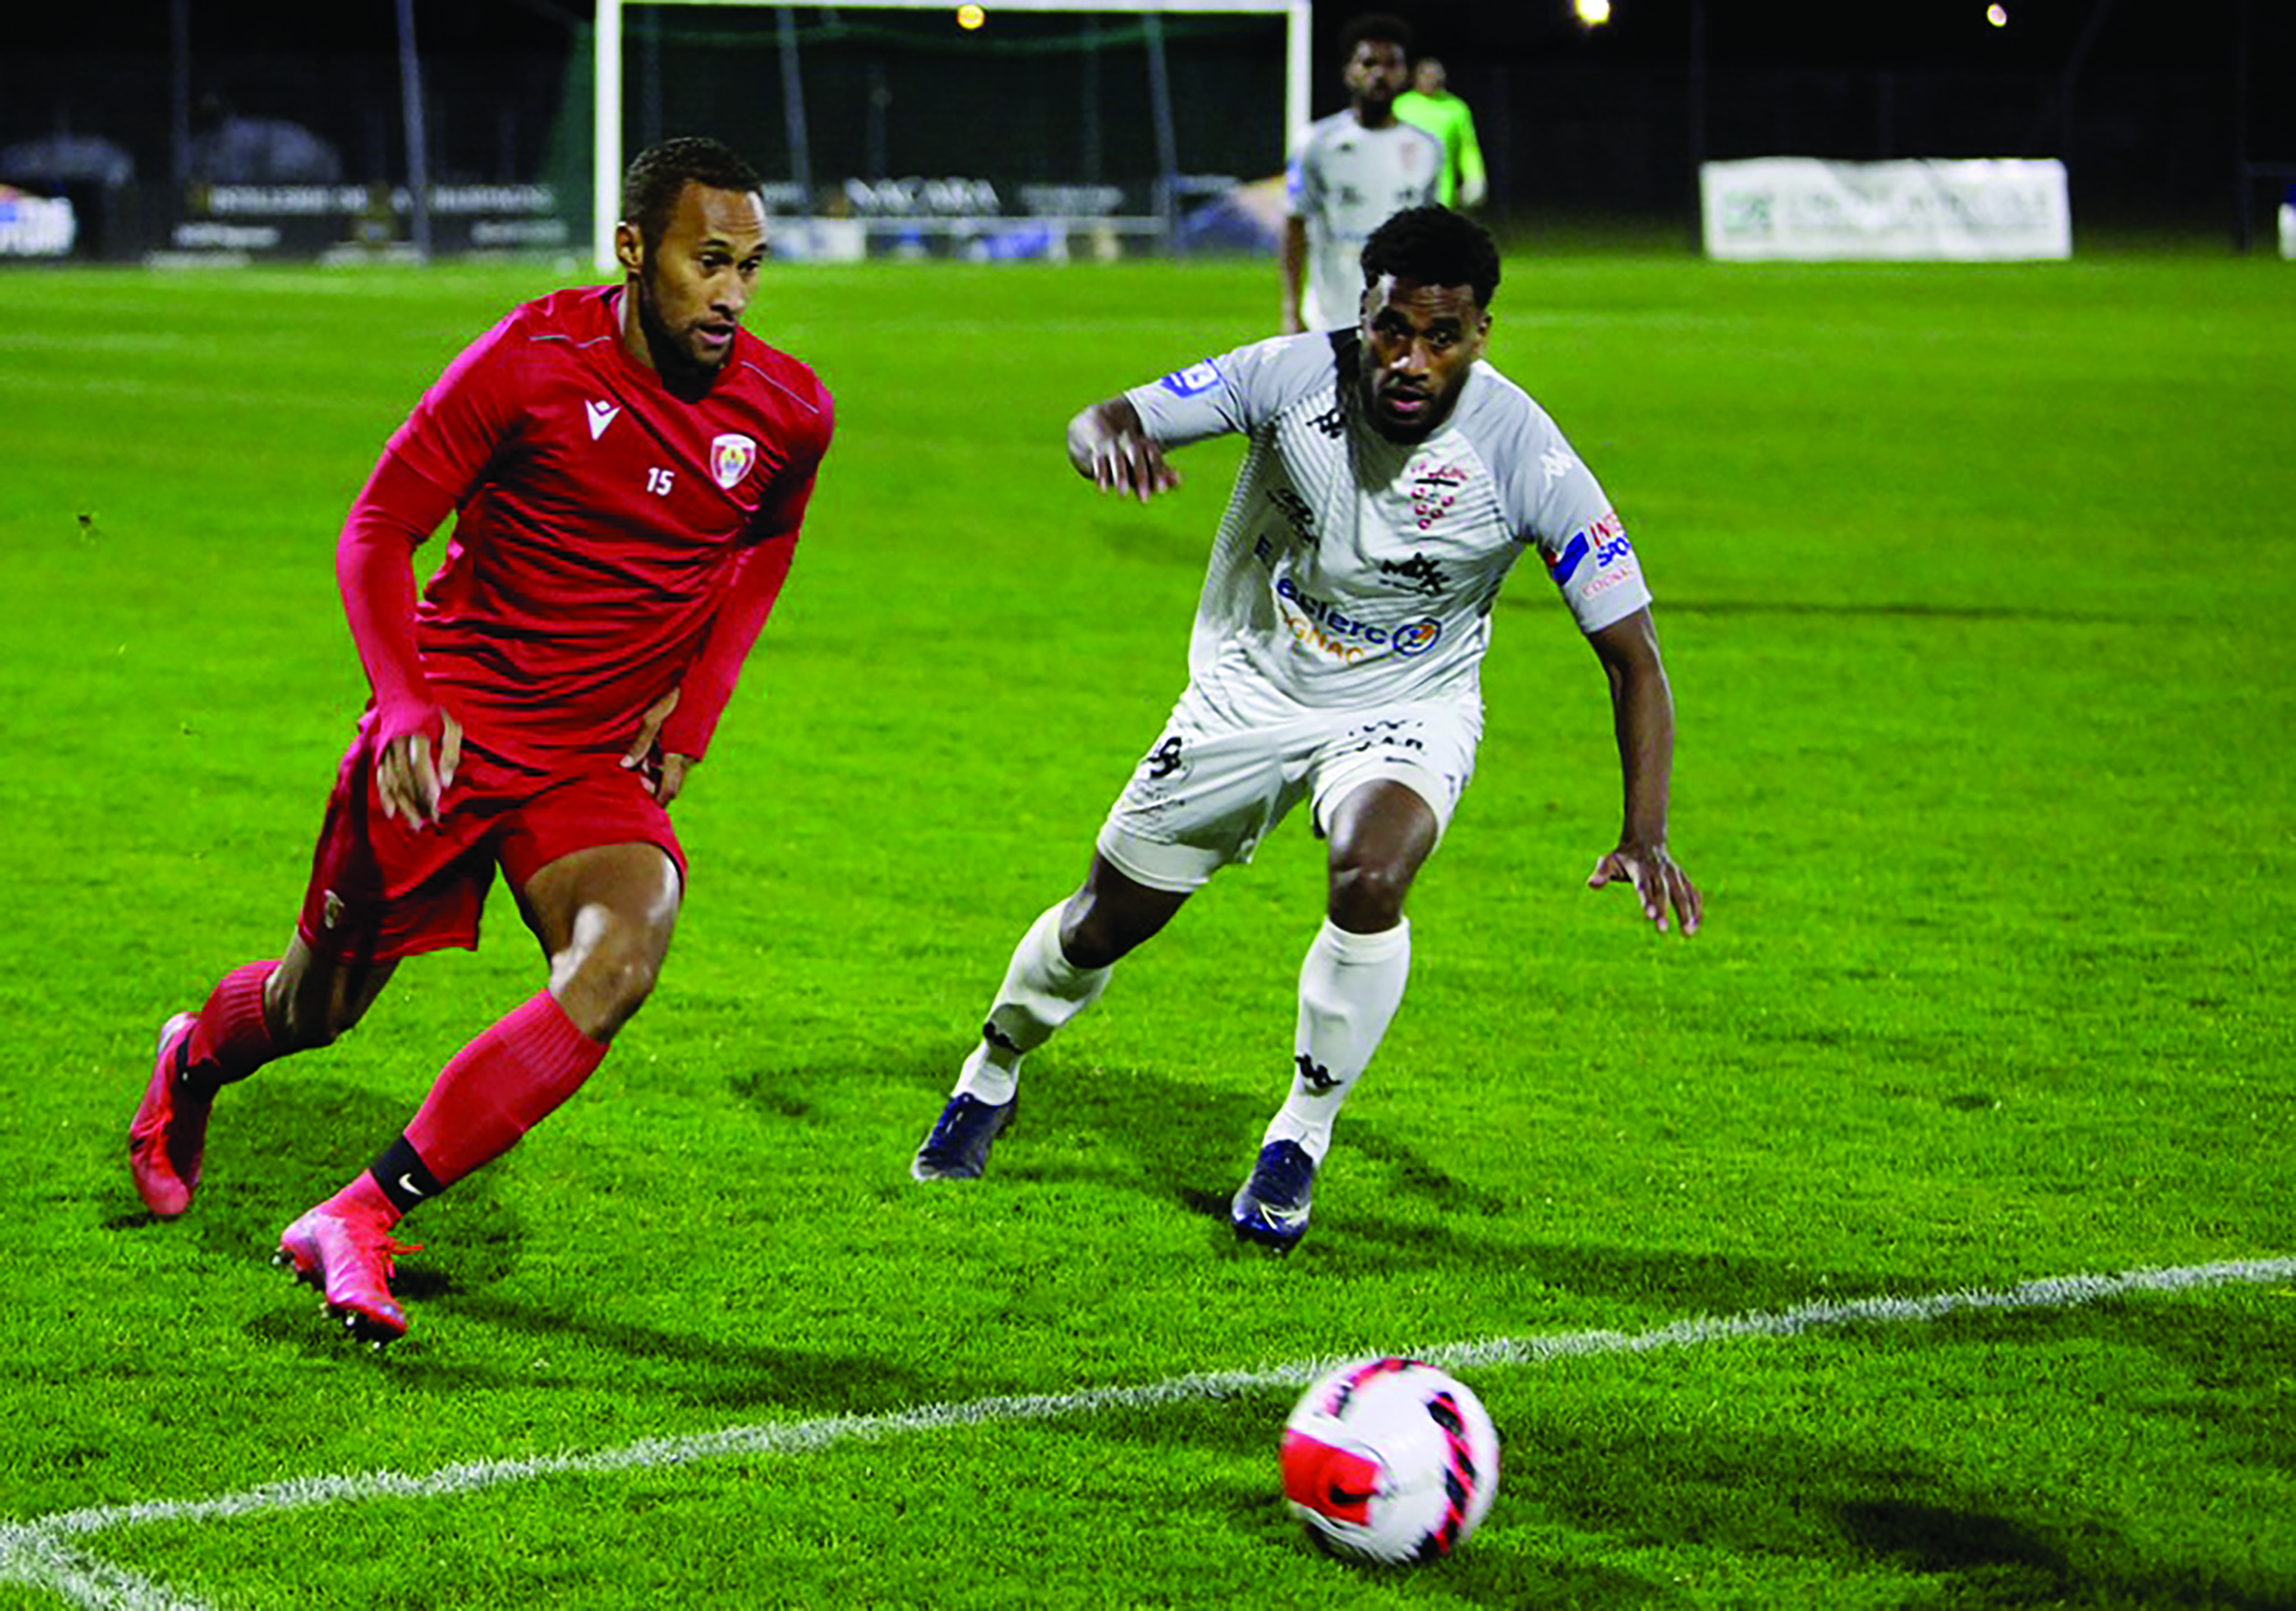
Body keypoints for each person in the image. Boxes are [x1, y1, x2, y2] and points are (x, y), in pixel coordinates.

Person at [126, 136, 835, 1345]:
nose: (731, 294)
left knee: (618, 961)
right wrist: (403, 702)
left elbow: (765, 544)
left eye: (751, 268)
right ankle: (193, 1059)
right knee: (319, 1006)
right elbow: (378, 526)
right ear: (630, 251)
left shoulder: (787, 410)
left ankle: (360, 1212)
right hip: (446, 736)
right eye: (707, 261)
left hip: (587, 761)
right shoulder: (529, 362)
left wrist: (697, 706)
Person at [912, 206, 1701, 1252]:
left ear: (1480, 335)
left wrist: (1643, 830)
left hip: (1404, 707)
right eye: (1391, 329)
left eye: (1442, 336)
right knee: (1106, 920)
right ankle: (993, 1068)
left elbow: (1632, 656)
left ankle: (1298, 1137)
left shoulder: (1527, 456)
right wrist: (1107, 441)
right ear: (1360, 312)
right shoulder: (1286, 373)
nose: (1410, 358)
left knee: (1370, 875)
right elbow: (1101, 416)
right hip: (1250, 685)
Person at [1281, 13, 1444, 335]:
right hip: (1327, 320)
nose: (1380, 74)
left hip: (1400, 319)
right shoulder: (1316, 142)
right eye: (1368, 63)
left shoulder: (1426, 147)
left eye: (1391, 64)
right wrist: (1290, 309)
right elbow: (1295, 224)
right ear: (1348, 72)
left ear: (1406, 74)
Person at [1393, 56, 1488, 211]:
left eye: (1436, 75)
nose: (1431, 80)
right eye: (1426, 75)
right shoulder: (1400, 106)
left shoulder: (1456, 108)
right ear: (1416, 77)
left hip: (1442, 195)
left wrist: (1474, 178)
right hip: (1403, 193)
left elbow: (1468, 148)